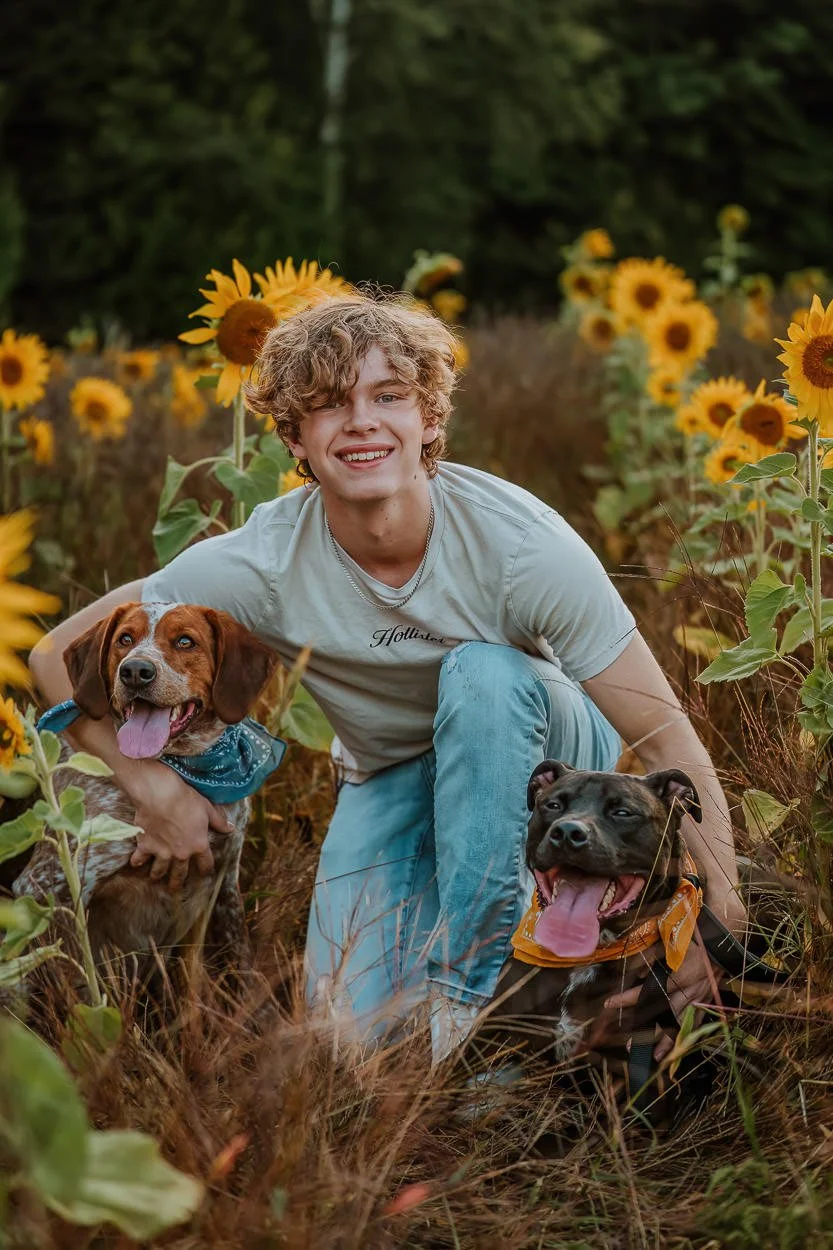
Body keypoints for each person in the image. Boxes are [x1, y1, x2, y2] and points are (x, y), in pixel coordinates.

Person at [30, 294, 746, 1062]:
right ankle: (441, 1002)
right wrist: (153, 790)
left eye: (389, 397)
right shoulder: (258, 562)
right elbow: (51, 657)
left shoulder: (522, 547)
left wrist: (718, 932)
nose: (362, 421)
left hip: (546, 748)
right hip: (391, 773)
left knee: (480, 675)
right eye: (330, 404)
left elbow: (663, 730)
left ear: (429, 420)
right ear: (293, 436)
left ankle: (478, 1025)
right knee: (350, 1044)